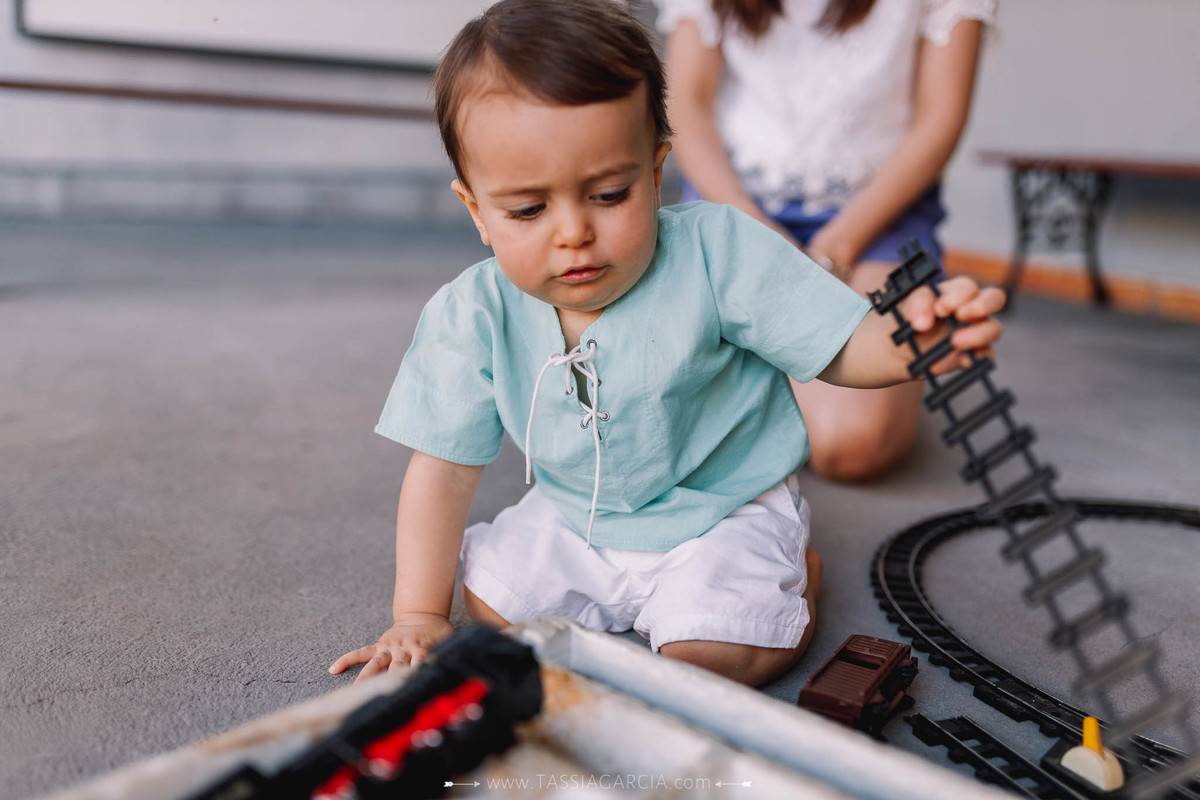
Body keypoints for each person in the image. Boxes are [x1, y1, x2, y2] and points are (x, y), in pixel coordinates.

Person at [329, 0, 1003, 688]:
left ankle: (792, 574)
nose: (572, 234)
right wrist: (417, 612)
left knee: (708, 657)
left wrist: (907, 343)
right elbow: (441, 469)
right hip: (578, 513)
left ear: (654, 174)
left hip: (719, 508)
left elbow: (839, 346)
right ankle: (639, 596)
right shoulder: (471, 312)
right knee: (492, 603)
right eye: (528, 210)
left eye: (610, 194)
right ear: (476, 210)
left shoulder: (720, 251)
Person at [658, 0, 995, 482]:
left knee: (852, 446)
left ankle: (769, 371)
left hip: (881, 214)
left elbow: (940, 118)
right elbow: (686, 104)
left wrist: (833, 251)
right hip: (736, 203)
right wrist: (759, 237)